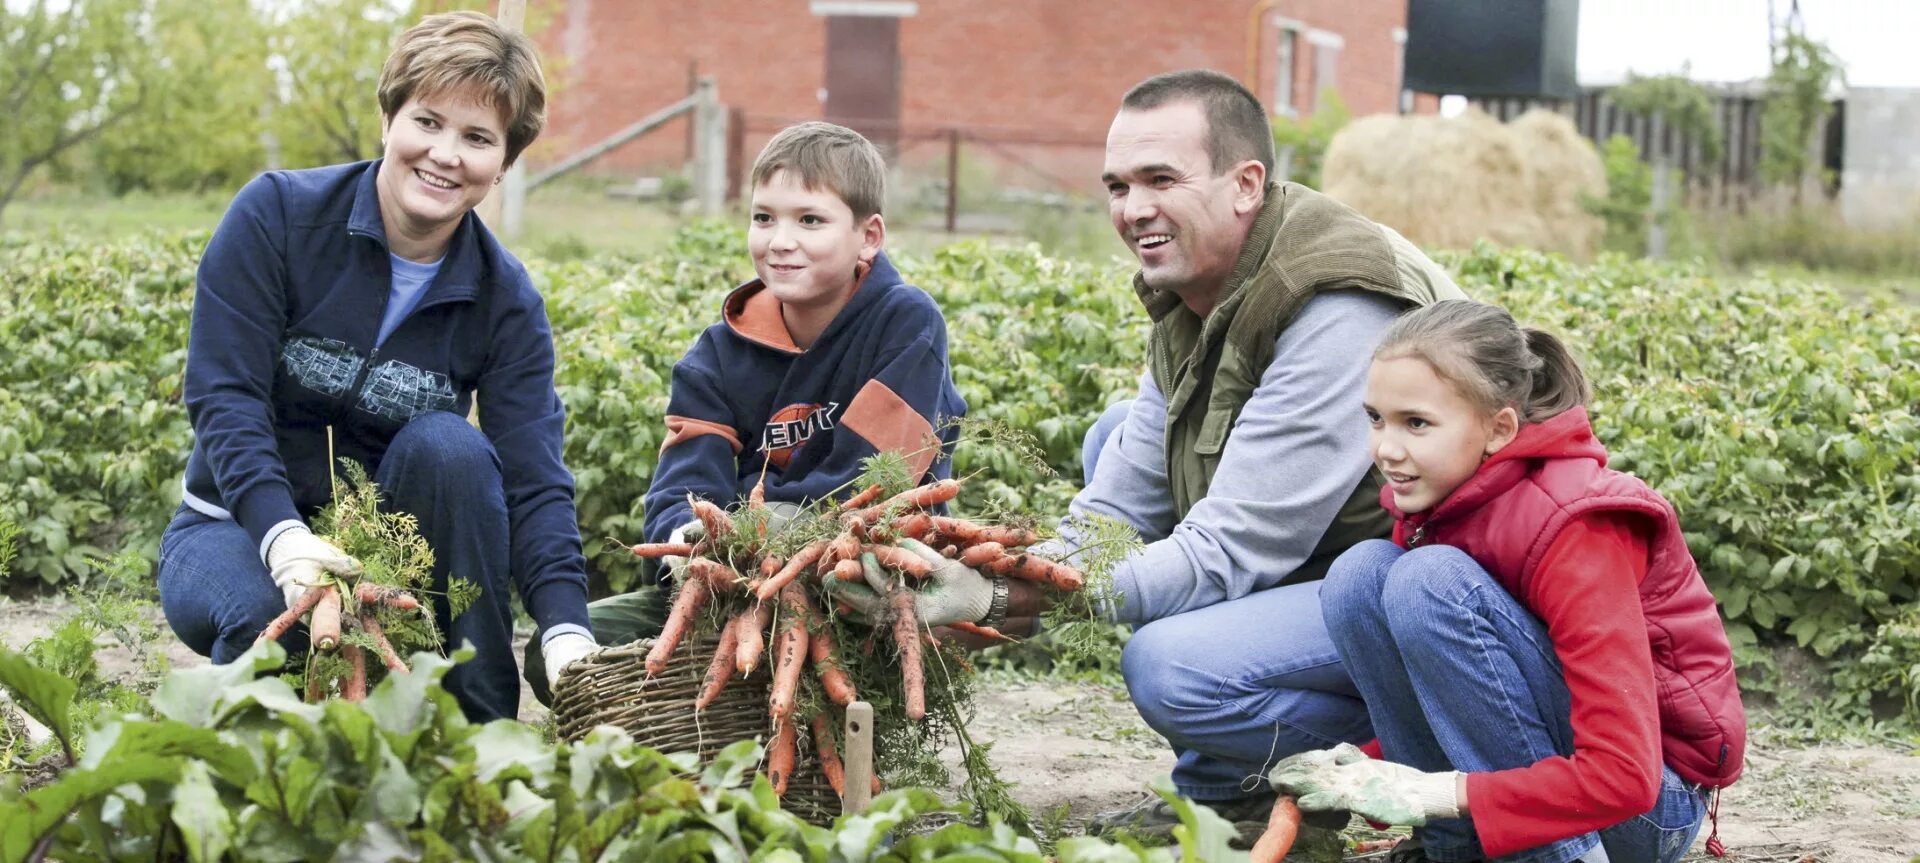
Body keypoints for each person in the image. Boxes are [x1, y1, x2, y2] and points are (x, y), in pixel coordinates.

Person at [1008, 68, 1469, 838]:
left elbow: (1231, 548)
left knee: (1173, 668)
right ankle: (1228, 792)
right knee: (1115, 433)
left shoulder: (1333, 301)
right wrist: (1004, 574)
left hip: (1429, 584)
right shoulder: (1199, 284)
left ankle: (1399, 767)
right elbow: (1120, 502)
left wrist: (1033, 596)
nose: (1133, 208)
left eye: (1161, 179)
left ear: (1246, 184)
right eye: (1118, 185)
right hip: (1339, 549)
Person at [158, 11, 595, 722]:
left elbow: (535, 477)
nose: (446, 154)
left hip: (389, 557)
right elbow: (224, 395)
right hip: (232, 530)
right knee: (278, 630)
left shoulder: (504, 298)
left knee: (452, 446)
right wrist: (284, 538)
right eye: (428, 121)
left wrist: (567, 630)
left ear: (504, 163)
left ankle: (481, 730)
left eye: (478, 138)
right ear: (389, 117)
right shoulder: (276, 217)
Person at [1269, 299, 1746, 863]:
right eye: (1376, 418)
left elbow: (1625, 778)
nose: (1386, 449)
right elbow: (1469, 695)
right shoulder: (1441, 498)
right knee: (1360, 574)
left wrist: (1437, 791)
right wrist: (1364, 764)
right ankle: (1450, 852)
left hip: (1642, 812)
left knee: (1427, 581)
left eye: (1416, 423)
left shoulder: (1577, 527)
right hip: (1551, 782)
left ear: (1499, 429)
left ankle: (1555, 857)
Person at [523, 121, 982, 698]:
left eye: (809, 220)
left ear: (868, 237)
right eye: (764, 217)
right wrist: (694, 542)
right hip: (724, 587)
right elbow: (680, 490)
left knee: (819, 659)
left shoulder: (905, 322)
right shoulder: (716, 354)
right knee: (561, 663)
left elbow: (876, 483)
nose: (779, 240)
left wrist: (761, 534)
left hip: (858, 591)